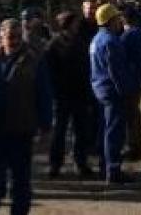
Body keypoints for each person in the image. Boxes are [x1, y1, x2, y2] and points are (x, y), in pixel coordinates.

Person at [0, 19, 53, 215]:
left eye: (19, 36)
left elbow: (43, 92)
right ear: (1, 37)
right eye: (11, 37)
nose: (15, 41)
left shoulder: (34, 59)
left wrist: (46, 126)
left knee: (20, 181)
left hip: (22, 128)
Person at [89, 3, 137, 184]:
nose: (120, 21)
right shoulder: (111, 41)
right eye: (117, 18)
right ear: (111, 20)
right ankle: (113, 170)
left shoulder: (96, 39)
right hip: (112, 92)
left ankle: (105, 166)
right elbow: (117, 72)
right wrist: (127, 92)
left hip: (99, 90)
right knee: (113, 133)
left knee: (104, 130)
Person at [45, 11, 94, 178]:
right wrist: (55, 91)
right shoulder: (54, 44)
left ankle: (80, 162)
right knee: (59, 130)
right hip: (62, 94)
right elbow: (50, 72)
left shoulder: (80, 41)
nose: (76, 25)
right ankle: (55, 164)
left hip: (79, 92)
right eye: (74, 23)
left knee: (81, 130)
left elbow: (86, 66)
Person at [120, 6, 141, 161]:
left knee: (130, 115)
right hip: (138, 79)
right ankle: (139, 145)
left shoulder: (127, 36)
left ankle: (133, 147)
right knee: (135, 115)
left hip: (130, 80)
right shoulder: (140, 33)